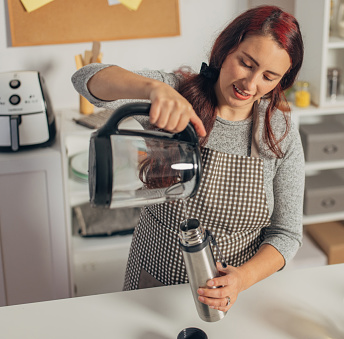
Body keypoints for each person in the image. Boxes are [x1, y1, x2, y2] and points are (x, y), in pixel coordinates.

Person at [72, 5, 305, 312]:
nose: (251, 84)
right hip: (153, 284)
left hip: (231, 298)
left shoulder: (277, 131)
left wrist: (242, 279)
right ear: (225, 50)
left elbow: (286, 234)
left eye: (269, 76)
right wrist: (153, 89)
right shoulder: (176, 94)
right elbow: (85, 79)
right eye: (246, 63)